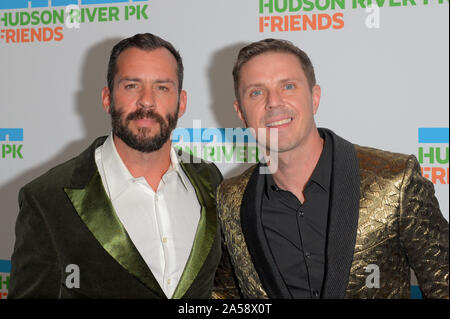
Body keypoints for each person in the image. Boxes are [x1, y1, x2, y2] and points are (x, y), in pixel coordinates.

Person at [216, 38, 449, 299]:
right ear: (240, 111)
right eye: (256, 92)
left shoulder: (394, 181)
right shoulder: (230, 199)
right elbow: (224, 295)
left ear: (314, 98)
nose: (273, 102)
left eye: (288, 86)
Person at [9, 33, 223, 299]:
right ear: (107, 98)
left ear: (182, 103)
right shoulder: (47, 199)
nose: (147, 100)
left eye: (162, 87)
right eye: (132, 85)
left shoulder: (210, 181)